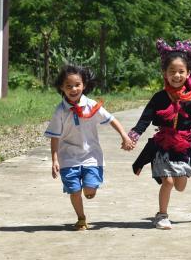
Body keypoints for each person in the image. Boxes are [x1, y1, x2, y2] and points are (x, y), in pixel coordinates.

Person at [128, 39, 191, 230]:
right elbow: (145, 119)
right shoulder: (159, 97)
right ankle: (162, 215)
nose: (176, 75)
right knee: (168, 180)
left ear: (188, 73)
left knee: (180, 186)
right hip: (163, 145)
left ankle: (176, 185)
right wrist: (133, 136)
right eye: (172, 71)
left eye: (181, 71)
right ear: (164, 73)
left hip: (185, 145)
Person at [45, 65, 134, 230]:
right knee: (74, 190)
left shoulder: (92, 105)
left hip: (91, 156)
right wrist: (54, 160)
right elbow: (54, 137)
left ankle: (90, 188)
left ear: (84, 85)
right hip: (68, 157)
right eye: (68, 86)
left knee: (89, 192)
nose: (73, 89)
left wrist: (124, 135)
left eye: (77, 85)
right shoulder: (60, 111)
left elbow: (111, 119)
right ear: (61, 88)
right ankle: (81, 218)